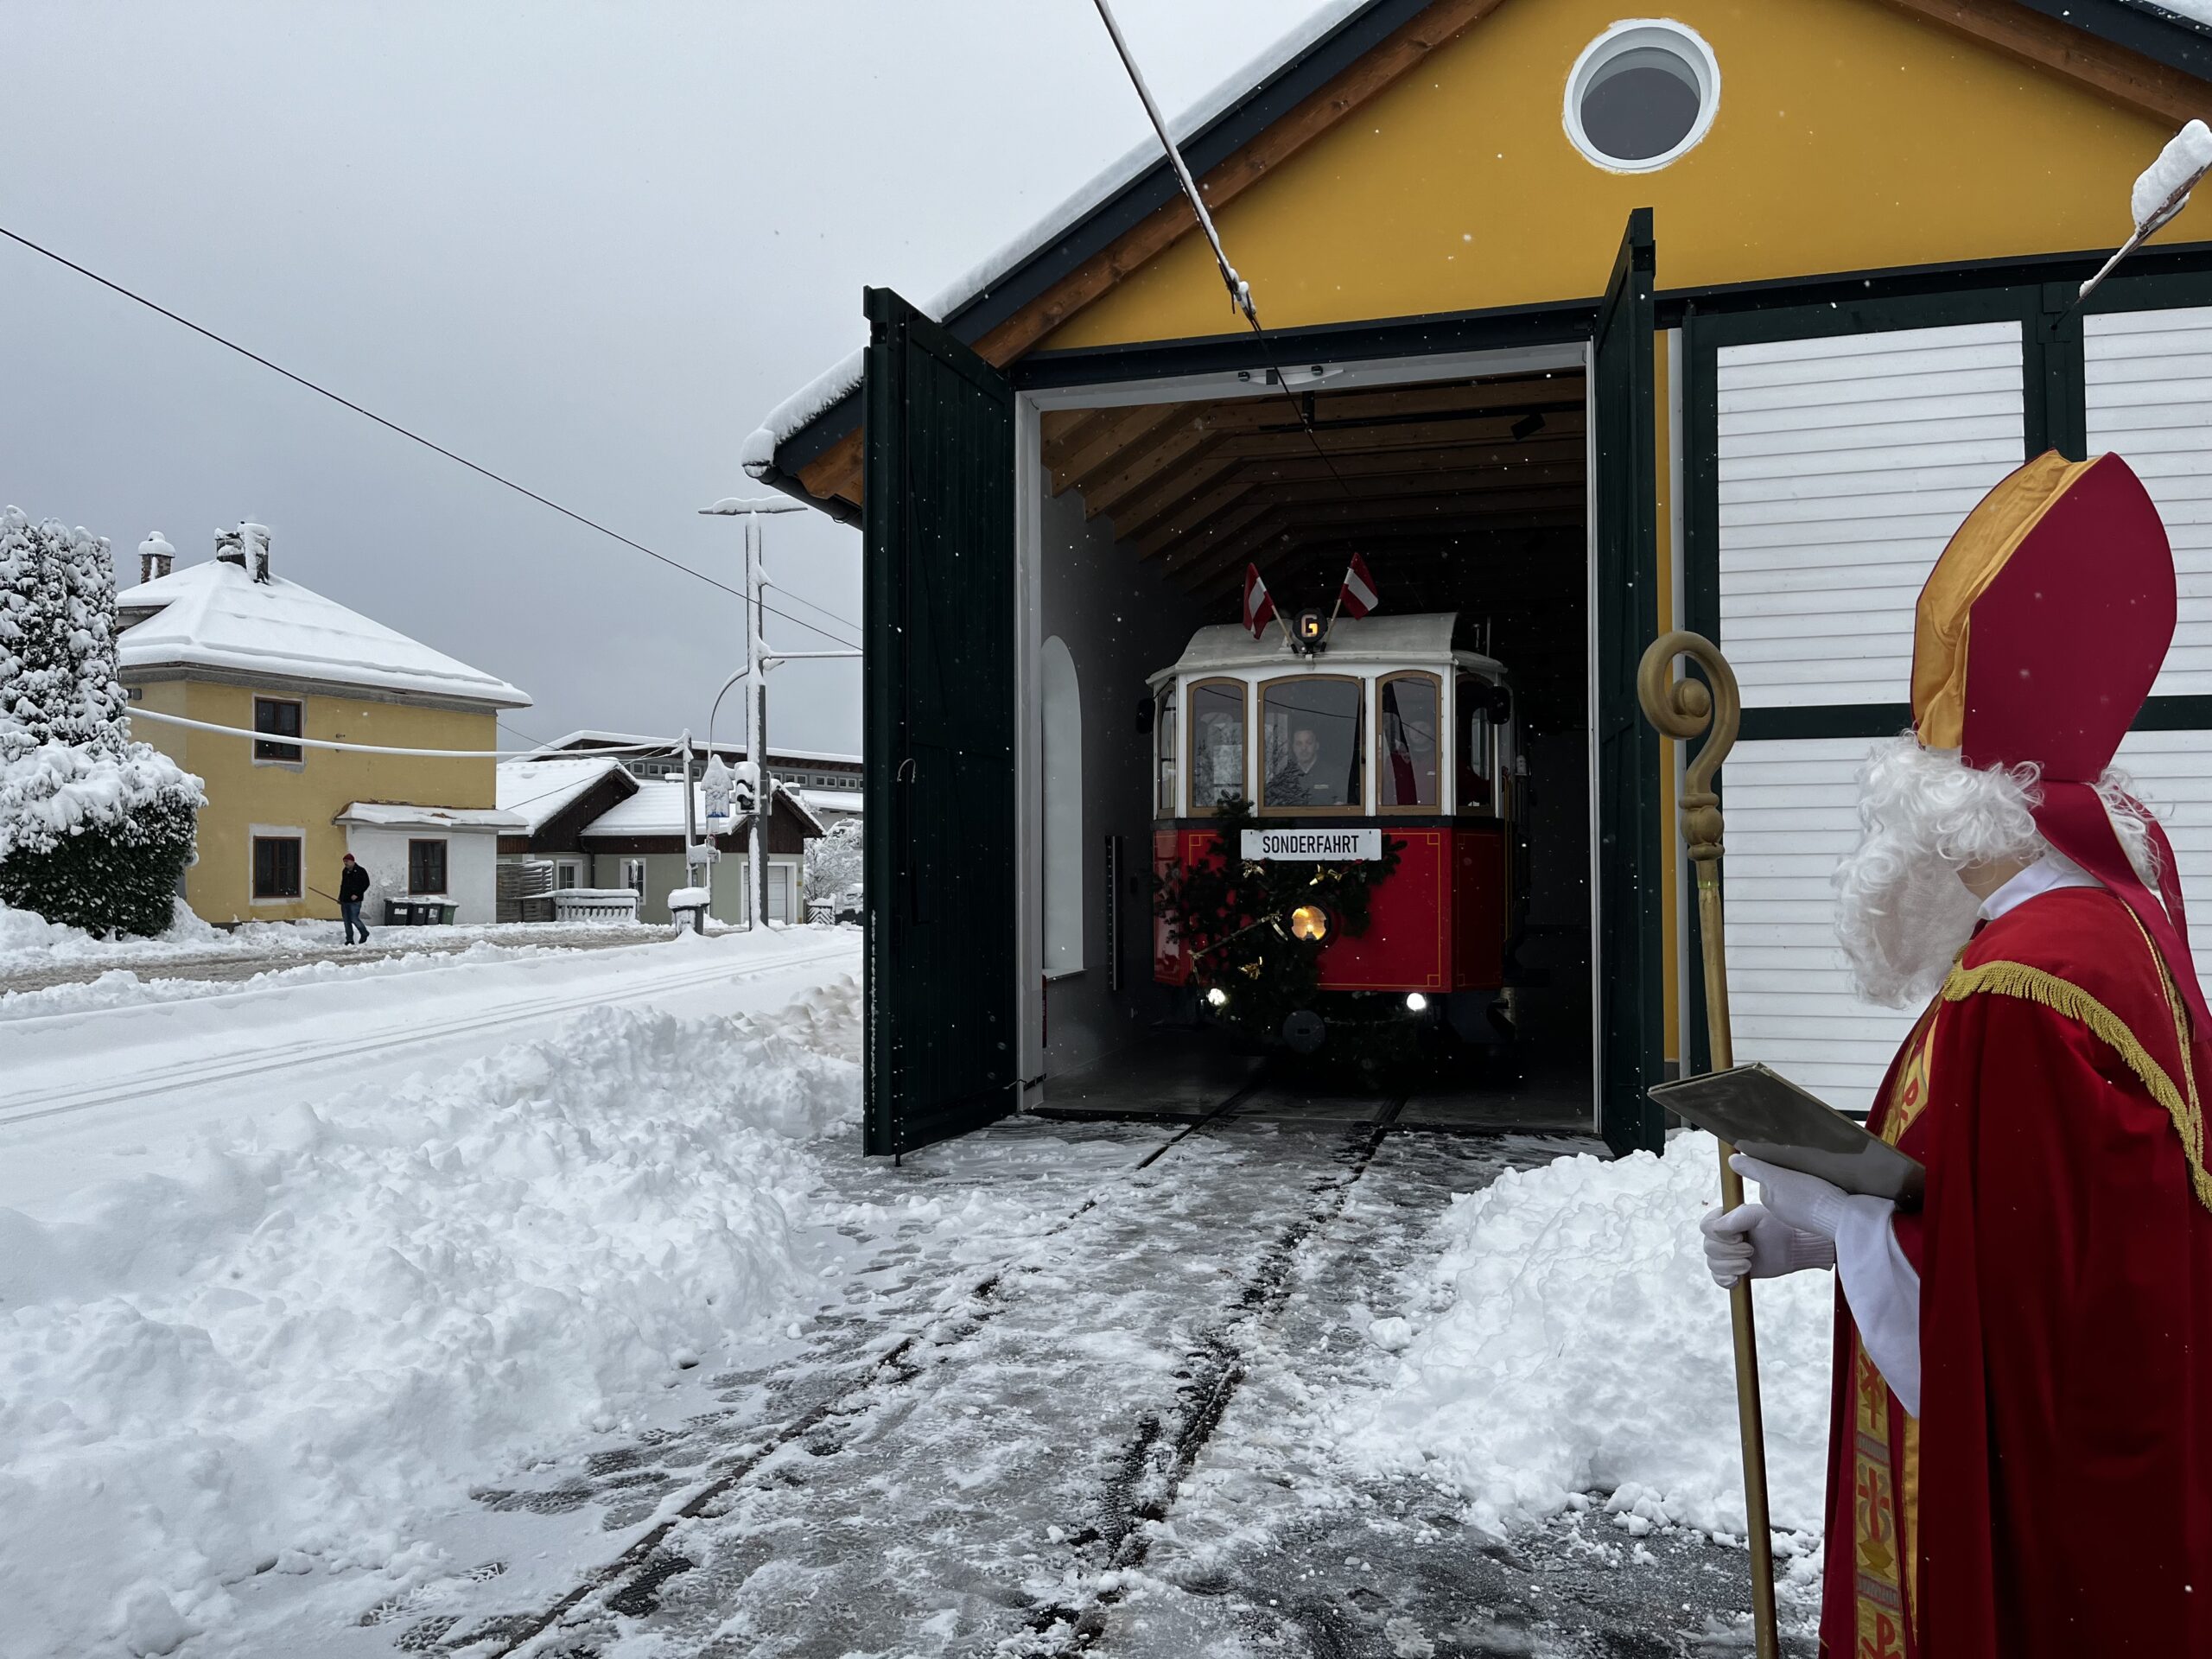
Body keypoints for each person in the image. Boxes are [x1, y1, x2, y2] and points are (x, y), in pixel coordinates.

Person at [1698, 451, 2212, 1657]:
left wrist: (1835, 1198)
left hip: (2041, 1520)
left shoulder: (2017, 990)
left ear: (1950, 815)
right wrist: (1811, 1230)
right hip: (2127, 1506)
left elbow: (1990, 1331)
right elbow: (2024, 1228)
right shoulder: (2113, 934)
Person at [338, 852, 371, 944]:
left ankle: (364, 932)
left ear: (352, 861)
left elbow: (366, 884)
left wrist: (357, 894)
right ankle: (349, 939)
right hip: (345, 900)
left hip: (355, 901)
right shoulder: (345, 871)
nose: (345, 863)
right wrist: (340, 896)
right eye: (344, 862)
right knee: (346, 921)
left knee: (354, 918)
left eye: (347, 861)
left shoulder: (361, 871)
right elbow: (343, 885)